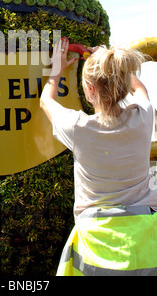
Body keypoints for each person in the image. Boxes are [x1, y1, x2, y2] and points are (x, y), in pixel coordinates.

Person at [40, 37, 157, 276]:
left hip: (95, 240)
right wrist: (113, 63)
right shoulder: (143, 118)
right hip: (146, 235)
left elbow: (45, 101)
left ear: (89, 89)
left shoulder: (78, 127)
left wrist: (56, 70)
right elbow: (140, 90)